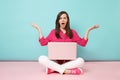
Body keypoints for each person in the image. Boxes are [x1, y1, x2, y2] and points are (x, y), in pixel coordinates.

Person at [31, 11, 99, 75]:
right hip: (55, 61)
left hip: (69, 62)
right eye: (60, 18)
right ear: (58, 21)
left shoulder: (73, 32)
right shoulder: (53, 32)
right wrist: (38, 29)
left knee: (81, 61)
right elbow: (43, 43)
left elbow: (83, 43)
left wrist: (88, 30)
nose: (62, 20)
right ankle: (68, 71)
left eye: (64, 18)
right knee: (41, 58)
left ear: (67, 20)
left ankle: (53, 69)